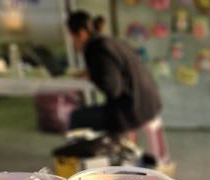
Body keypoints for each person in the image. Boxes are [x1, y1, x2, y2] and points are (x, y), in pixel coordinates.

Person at [66, 10, 162, 140]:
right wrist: (93, 72)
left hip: (133, 110)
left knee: (76, 117)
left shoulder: (95, 48)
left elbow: (112, 88)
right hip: (149, 103)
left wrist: (93, 75)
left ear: (82, 34)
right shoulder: (109, 41)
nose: (73, 43)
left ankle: (83, 157)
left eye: (72, 37)